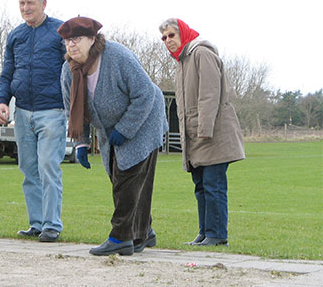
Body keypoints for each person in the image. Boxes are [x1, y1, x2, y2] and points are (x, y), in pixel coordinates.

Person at [58, 16, 168, 256]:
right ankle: (143, 232)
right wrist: (81, 143)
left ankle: (121, 238)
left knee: (127, 178)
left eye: (76, 39)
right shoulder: (69, 72)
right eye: (67, 41)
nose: (71, 45)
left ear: (92, 39)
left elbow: (145, 95)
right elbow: (74, 110)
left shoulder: (118, 57)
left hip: (145, 119)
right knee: (123, 178)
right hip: (110, 128)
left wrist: (125, 129)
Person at [159, 18, 245, 246]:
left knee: (213, 184)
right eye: (164, 37)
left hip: (212, 134)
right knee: (200, 185)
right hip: (195, 136)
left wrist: (204, 130)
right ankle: (205, 232)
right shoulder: (181, 62)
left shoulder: (201, 54)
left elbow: (209, 94)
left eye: (171, 35)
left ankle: (217, 235)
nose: (167, 41)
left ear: (183, 34)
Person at [0, 0, 66, 242]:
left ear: (44, 4)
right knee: (29, 168)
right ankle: (36, 223)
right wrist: (2, 101)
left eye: (30, 3)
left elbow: (72, 71)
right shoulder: (15, 36)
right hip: (22, 112)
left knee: (48, 166)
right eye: (22, 3)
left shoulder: (60, 32)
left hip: (52, 111)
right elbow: (7, 73)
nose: (25, 8)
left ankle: (52, 226)